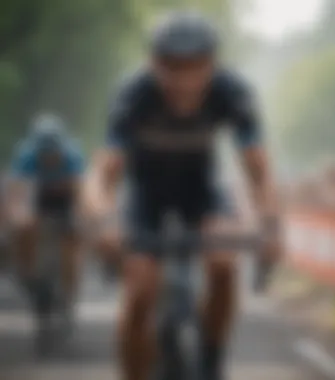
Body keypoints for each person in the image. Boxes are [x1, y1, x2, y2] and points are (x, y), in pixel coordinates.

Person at [82, 11, 280, 380]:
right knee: (139, 290)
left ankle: (211, 359)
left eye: (195, 66)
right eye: (171, 66)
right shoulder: (134, 93)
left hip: (201, 189)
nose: (184, 79)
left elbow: (259, 170)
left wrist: (270, 224)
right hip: (146, 193)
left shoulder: (232, 91)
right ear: (153, 62)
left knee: (224, 261)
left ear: (213, 63)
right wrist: (105, 220)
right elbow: (102, 174)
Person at [7, 113, 85, 340]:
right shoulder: (27, 156)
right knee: (24, 228)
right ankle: (28, 275)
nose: (50, 157)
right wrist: (20, 217)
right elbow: (16, 194)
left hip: (66, 200)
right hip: (37, 199)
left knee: (73, 236)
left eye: (54, 152)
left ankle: (68, 295)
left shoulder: (72, 156)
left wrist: (80, 220)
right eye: (45, 153)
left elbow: (81, 194)